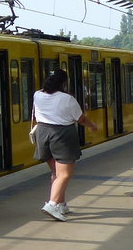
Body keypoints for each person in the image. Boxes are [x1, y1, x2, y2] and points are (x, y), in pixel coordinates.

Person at [31, 69, 99, 221]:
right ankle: (52, 204)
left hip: (43, 133)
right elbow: (80, 118)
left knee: (56, 173)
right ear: (63, 83)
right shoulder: (67, 98)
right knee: (65, 174)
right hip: (61, 135)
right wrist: (92, 125)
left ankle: (61, 204)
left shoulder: (37, 94)